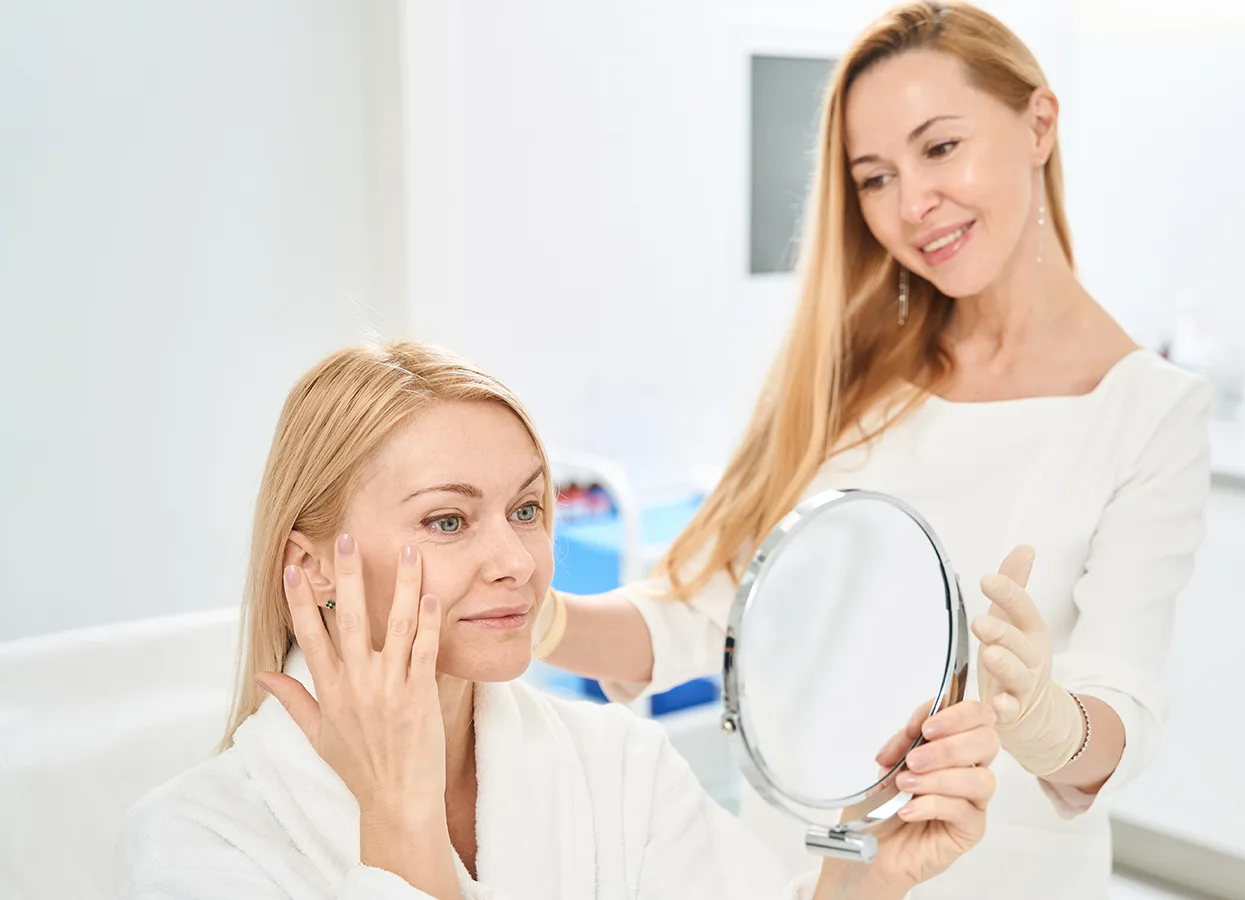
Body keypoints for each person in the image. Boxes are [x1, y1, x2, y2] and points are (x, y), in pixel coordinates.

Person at [537, 2, 1212, 897]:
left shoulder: (1147, 412)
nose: (911, 204)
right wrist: (535, 619)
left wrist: (1049, 723)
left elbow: (1121, 707)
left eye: (941, 147)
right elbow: (704, 615)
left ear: (1039, 124)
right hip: (800, 872)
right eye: (874, 177)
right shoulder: (850, 370)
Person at [113, 341, 1000, 900]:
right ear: (310, 567)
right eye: (448, 521)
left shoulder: (616, 766)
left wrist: (866, 880)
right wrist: (400, 822)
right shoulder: (197, 842)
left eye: (528, 510)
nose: (516, 560)